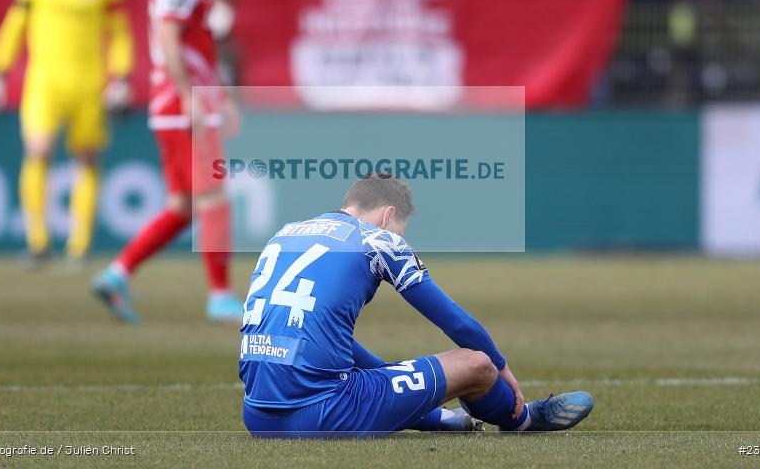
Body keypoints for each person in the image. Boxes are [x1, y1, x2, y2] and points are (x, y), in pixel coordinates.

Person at [239, 173, 593, 437]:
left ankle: (445, 420)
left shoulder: (284, 234)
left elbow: (316, 335)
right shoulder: (378, 240)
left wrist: (386, 373)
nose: (399, 237)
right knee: (477, 364)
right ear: (388, 215)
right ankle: (523, 420)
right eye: (400, 229)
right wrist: (501, 367)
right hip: (325, 413)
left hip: (257, 416)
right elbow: (456, 322)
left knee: (369, 374)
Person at [90, 0, 242, 323]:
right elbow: (169, 38)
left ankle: (117, 274)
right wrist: (191, 96)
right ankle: (221, 297)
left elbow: (194, 46)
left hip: (178, 101)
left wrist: (219, 96)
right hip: (180, 103)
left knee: (184, 205)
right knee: (213, 198)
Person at [0, 0, 133, 266]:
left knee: (87, 157)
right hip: (45, 81)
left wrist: (122, 77)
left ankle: (80, 244)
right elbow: (15, 25)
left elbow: (120, 33)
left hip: (89, 82)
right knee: (38, 150)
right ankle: (38, 241)